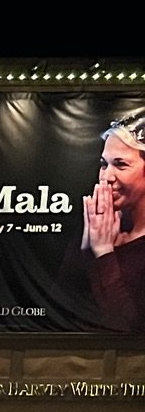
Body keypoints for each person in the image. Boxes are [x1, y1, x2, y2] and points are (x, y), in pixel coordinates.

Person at [76, 113, 145, 333]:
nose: (106, 177)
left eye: (120, 164)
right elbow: (62, 308)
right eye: (103, 164)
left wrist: (104, 252)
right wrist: (87, 246)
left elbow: (129, 328)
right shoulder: (101, 228)